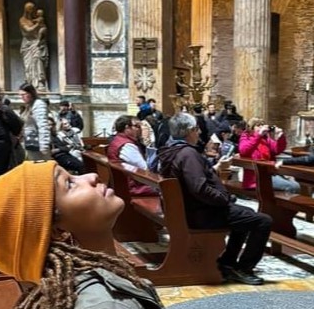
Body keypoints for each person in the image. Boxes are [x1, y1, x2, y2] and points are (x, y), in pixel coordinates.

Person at [0, 161, 168, 309]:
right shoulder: (109, 308)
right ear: (58, 232)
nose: (92, 176)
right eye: (69, 184)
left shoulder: (65, 290)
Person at [158, 112, 272, 285]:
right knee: (263, 221)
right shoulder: (187, 154)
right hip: (201, 213)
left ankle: (228, 263)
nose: (199, 133)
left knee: (246, 213)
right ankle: (243, 268)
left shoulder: (171, 150)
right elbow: (200, 188)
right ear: (189, 131)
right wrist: (224, 199)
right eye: (196, 129)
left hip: (189, 209)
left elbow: (195, 180)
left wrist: (216, 171)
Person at [239, 117, 300, 193]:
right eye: (258, 126)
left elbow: (277, 150)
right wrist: (258, 135)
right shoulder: (246, 137)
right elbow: (243, 150)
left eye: (262, 125)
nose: (261, 127)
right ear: (251, 128)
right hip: (256, 178)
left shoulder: (265, 139)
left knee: (296, 184)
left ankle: (283, 204)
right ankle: (280, 204)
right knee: (292, 187)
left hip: (269, 173)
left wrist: (280, 137)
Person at [107, 115, 156, 196]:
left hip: (123, 184)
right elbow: (145, 169)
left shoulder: (118, 140)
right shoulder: (127, 146)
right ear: (127, 128)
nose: (140, 129)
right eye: (137, 126)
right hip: (134, 188)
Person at [19, 2, 48, 91]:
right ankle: (30, 83)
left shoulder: (36, 19)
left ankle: (39, 83)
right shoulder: (22, 20)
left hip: (37, 43)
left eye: (32, 9)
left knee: (38, 60)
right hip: (27, 44)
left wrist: (42, 29)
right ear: (26, 10)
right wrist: (37, 25)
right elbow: (28, 30)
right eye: (29, 9)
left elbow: (43, 30)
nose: (31, 11)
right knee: (28, 66)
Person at [19, 82, 51, 160]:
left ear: (31, 93)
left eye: (23, 95)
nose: (21, 97)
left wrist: (44, 146)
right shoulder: (28, 105)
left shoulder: (38, 104)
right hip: (29, 142)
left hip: (37, 144)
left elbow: (43, 126)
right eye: (20, 95)